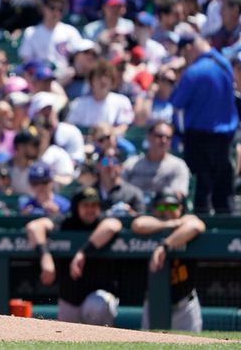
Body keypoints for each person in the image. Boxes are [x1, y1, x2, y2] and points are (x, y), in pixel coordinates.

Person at [25, 187, 122, 326]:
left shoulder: (102, 221)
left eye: (94, 205)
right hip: (70, 297)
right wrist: (45, 256)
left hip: (98, 295)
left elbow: (113, 226)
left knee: (97, 304)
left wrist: (82, 253)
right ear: (77, 207)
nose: (90, 209)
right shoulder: (66, 222)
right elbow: (34, 227)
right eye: (86, 205)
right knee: (64, 334)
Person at [171, 33, 238, 214]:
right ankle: (227, 237)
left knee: (200, 191)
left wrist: (180, 135)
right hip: (224, 139)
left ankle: (197, 235)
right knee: (223, 193)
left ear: (189, 48)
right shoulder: (225, 65)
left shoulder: (193, 72)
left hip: (197, 139)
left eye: (184, 54)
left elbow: (177, 108)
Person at [131, 188, 204, 332]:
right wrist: (170, 224)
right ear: (154, 209)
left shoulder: (187, 220)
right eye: (162, 206)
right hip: (154, 303)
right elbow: (137, 224)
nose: (167, 211)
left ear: (180, 208)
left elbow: (196, 225)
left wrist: (164, 246)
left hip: (185, 305)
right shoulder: (152, 223)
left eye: (171, 206)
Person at [122, 121, 190, 197]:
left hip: (163, 207)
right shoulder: (131, 163)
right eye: (159, 136)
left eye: (168, 137)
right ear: (148, 137)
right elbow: (119, 189)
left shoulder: (178, 166)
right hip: (132, 206)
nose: (164, 140)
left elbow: (178, 196)